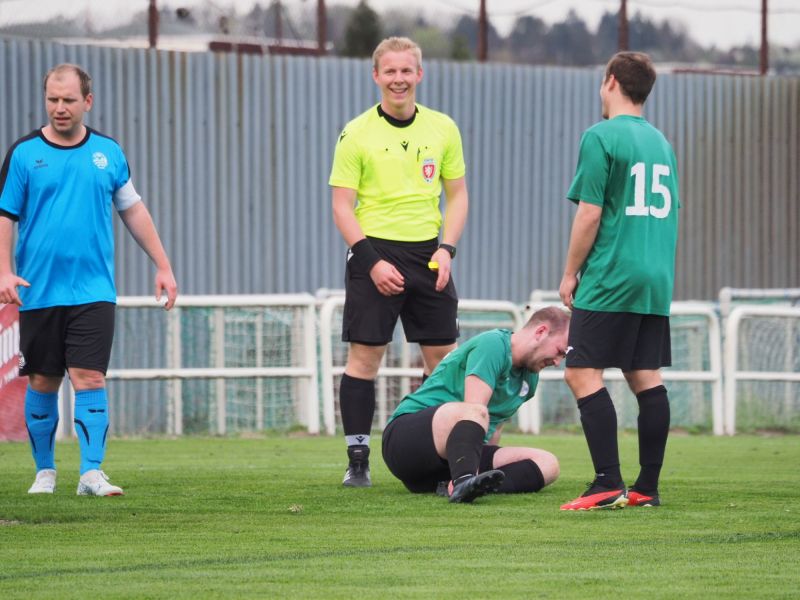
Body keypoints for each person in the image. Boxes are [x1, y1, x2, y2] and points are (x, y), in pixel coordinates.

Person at [0, 64, 178, 496]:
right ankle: (45, 472)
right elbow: (6, 215)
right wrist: (4, 270)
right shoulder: (23, 154)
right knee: (43, 380)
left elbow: (133, 209)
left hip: (94, 291)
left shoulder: (108, 153)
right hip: (38, 290)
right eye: (53, 100)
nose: (60, 108)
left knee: (90, 377)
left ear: (88, 102)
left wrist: (163, 265)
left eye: (69, 100)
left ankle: (91, 473)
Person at [329, 37, 469, 487]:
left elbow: (458, 195)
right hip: (374, 253)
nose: (398, 79)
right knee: (364, 358)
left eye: (406, 71)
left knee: (444, 362)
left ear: (419, 75)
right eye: (390, 71)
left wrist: (446, 250)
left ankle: (440, 454)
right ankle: (358, 460)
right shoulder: (356, 133)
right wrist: (370, 261)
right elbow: (341, 206)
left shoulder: (443, 128)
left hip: (429, 254)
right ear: (376, 76)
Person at [558, 52, 679, 511]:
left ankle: (607, 481)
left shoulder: (600, 135)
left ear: (610, 82)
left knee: (581, 371)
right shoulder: (661, 142)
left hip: (612, 272)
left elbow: (590, 213)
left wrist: (571, 272)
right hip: (655, 277)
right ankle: (647, 487)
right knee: (645, 374)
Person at [382, 307, 570, 503]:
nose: (558, 362)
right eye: (559, 352)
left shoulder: (530, 379)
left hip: (445, 466)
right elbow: (474, 409)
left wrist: (485, 467)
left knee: (548, 464)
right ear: (540, 332)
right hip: (405, 443)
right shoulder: (494, 344)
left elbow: (494, 428)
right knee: (475, 411)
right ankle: (463, 482)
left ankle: (474, 487)